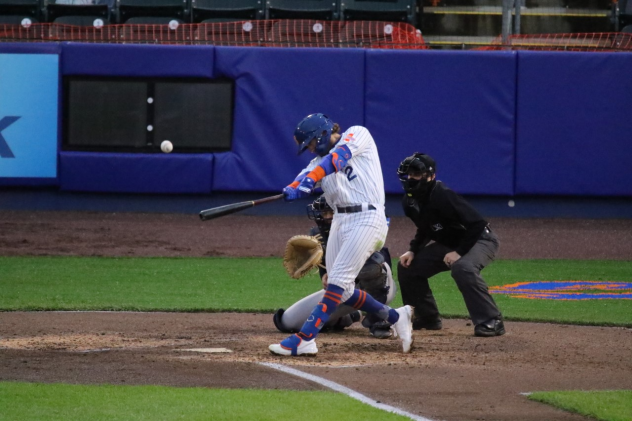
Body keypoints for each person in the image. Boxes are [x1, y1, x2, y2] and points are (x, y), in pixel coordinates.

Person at [269, 113, 413, 356]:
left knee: (338, 282)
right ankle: (396, 316)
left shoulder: (357, 134)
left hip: (367, 217)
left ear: (323, 133)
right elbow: (304, 177)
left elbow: (337, 159)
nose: (311, 149)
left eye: (312, 143)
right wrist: (293, 188)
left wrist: (312, 178)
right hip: (340, 221)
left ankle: (305, 338)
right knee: (342, 291)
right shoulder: (318, 161)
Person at [396, 152, 505, 337]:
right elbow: (424, 228)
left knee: (462, 267)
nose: (411, 178)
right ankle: (427, 318)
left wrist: (459, 252)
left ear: (431, 176)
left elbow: (477, 224)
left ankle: (492, 320)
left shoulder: (442, 195)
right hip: (453, 243)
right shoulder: (409, 201)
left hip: (481, 239)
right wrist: (413, 250)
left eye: (416, 174)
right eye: (409, 174)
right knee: (407, 267)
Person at [272, 195, 397, 339]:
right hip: (344, 293)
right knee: (287, 322)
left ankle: (380, 318)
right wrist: (326, 275)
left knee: (370, 269)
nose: (327, 217)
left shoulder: (363, 228)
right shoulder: (318, 236)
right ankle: (347, 316)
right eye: (324, 213)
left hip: (379, 288)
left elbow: (379, 263)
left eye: (331, 212)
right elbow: (329, 281)